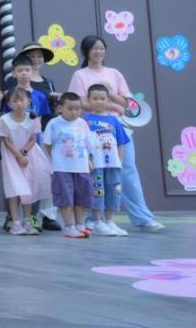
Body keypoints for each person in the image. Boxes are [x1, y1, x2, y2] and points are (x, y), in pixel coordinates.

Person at [68, 35, 163, 231]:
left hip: (116, 128)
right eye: (94, 48)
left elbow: (128, 104)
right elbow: (80, 103)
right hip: (93, 129)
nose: (98, 52)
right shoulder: (80, 75)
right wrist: (109, 105)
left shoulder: (114, 73)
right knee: (96, 173)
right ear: (86, 52)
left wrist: (110, 96)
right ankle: (94, 218)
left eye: (102, 48)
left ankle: (143, 218)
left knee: (127, 170)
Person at [41, 93, 96, 239]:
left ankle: (80, 225)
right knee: (65, 197)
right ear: (60, 108)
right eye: (70, 108)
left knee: (82, 196)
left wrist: (89, 161)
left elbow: (88, 144)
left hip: (81, 167)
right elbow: (47, 143)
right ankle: (69, 226)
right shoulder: (54, 123)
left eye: (77, 109)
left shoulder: (82, 123)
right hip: (62, 168)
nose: (74, 112)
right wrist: (55, 158)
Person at [0, 86, 47, 236]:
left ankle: (28, 221)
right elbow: (6, 140)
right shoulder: (4, 119)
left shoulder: (33, 118)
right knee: (14, 189)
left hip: (29, 155)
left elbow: (33, 139)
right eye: (15, 101)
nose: (19, 103)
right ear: (9, 103)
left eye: (22, 100)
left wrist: (24, 152)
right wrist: (18, 156)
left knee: (29, 188)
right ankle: (15, 223)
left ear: (29, 101)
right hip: (11, 157)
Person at [85, 85, 131, 237]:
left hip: (113, 164)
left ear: (108, 100)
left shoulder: (114, 121)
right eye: (95, 98)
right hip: (95, 165)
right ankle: (97, 222)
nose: (99, 101)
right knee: (97, 192)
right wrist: (87, 162)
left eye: (102, 98)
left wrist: (120, 162)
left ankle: (110, 221)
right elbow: (81, 143)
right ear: (88, 100)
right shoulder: (84, 120)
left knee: (113, 192)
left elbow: (120, 143)